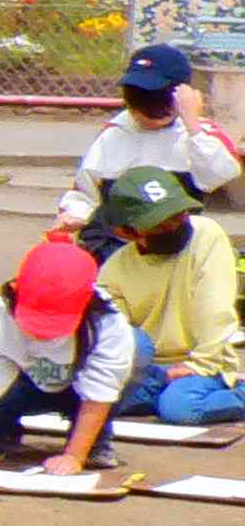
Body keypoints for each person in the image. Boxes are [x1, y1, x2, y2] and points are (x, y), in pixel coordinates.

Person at [0, 229, 137, 474]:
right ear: (15, 291)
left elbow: (101, 392)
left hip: (79, 389)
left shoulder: (108, 324)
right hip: (23, 383)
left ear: (87, 302)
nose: (44, 335)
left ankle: (94, 440)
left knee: (140, 351)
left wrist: (74, 456)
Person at [89, 167, 245, 424]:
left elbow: (215, 310)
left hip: (205, 361)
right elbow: (113, 334)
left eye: (178, 215)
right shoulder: (115, 270)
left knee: (180, 408)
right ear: (126, 232)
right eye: (160, 223)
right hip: (149, 369)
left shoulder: (206, 235)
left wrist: (200, 365)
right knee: (101, 401)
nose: (174, 225)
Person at [57, 42, 234, 228]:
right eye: (136, 100)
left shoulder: (199, 134)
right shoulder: (115, 133)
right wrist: (76, 215)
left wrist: (193, 125)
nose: (143, 111)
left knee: (208, 231)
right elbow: (85, 191)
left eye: (155, 101)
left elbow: (219, 175)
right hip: (117, 234)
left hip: (175, 234)